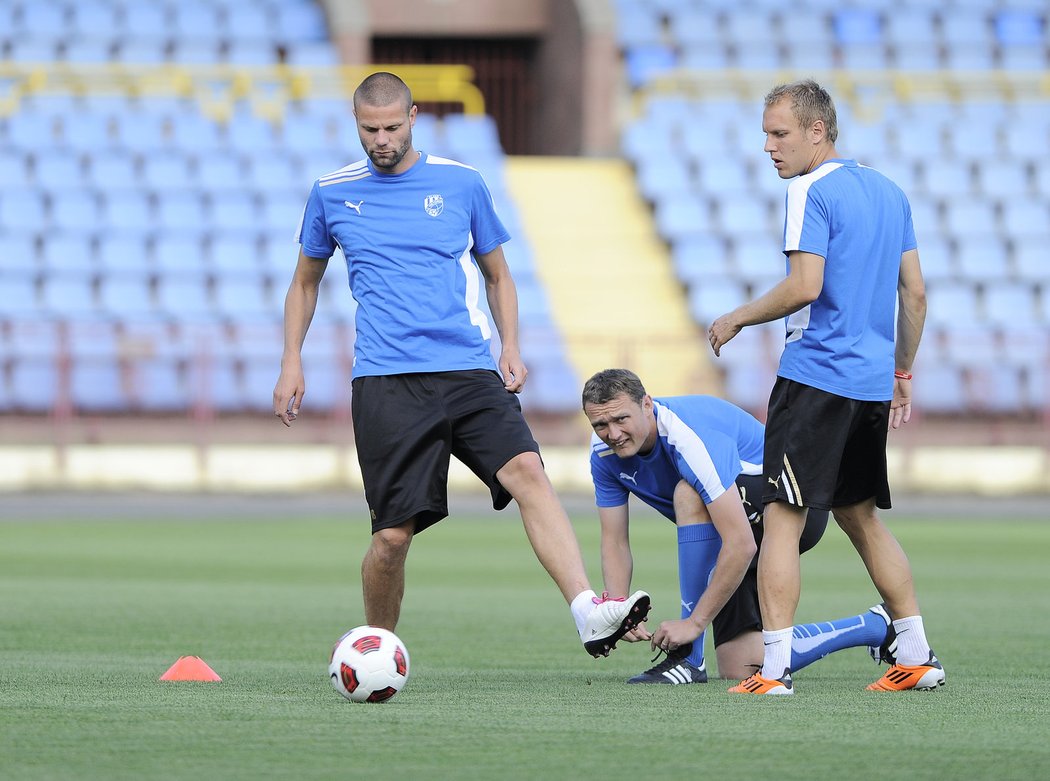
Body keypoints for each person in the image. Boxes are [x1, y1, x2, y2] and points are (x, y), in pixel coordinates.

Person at [272, 71, 649, 659]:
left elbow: (498, 274)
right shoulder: (330, 192)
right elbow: (304, 283)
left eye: (393, 127)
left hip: (468, 370)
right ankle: (378, 648)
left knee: (528, 471)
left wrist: (511, 345)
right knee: (392, 539)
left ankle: (587, 611)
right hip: (386, 381)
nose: (382, 139)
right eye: (370, 129)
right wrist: (290, 361)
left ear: (414, 116)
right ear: (356, 125)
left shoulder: (461, 183)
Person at [708, 79, 942, 695]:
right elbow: (914, 293)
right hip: (866, 384)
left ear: (818, 132)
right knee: (860, 519)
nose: (768, 147)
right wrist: (901, 373)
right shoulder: (890, 192)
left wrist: (737, 316)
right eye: (765, 134)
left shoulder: (809, 189)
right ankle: (916, 654)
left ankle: (775, 671)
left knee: (782, 518)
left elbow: (804, 285)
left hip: (815, 379)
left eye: (779, 133)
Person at [582, 368, 897, 684]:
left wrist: (693, 623)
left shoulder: (687, 436)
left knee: (687, 493)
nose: (612, 433)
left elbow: (742, 544)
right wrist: (619, 610)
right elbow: (614, 541)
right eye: (600, 425)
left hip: (791, 508)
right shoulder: (603, 455)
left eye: (621, 419)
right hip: (728, 529)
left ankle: (688, 659)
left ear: (647, 404)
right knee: (741, 665)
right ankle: (875, 626)